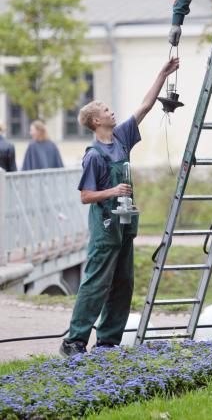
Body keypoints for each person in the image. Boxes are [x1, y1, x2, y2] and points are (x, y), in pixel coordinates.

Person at [60, 57, 179, 358]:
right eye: (106, 111)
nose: (112, 112)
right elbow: (86, 195)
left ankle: (108, 341)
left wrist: (162, 74)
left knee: (123, 283)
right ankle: (74, 341)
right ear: (96, 121)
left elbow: (145, 106)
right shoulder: (94, 156)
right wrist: (113, 190)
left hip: (125, 226)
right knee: (96, 284)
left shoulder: (121, 137)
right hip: (105, 228)